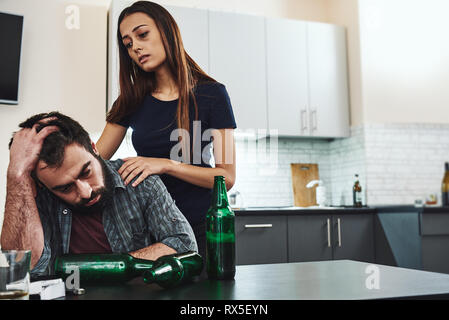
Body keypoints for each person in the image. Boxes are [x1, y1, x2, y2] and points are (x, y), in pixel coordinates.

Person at [96, 1, 237, 260]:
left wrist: (166, 164)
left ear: (166, 31)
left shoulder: (213, 94)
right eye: (128, 44)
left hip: (202, 230)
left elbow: (226, 178)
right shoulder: (130, 102)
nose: (136, 47)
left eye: (142, 34)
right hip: (152, 231)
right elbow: (93, 161)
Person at [1, 112, 198, 276]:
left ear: (93, 148)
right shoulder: (36, 198)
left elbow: (184, 245)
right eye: (65, 188)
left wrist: (108, 267)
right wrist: (16, 176)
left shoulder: (139, 179)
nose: (86, 192)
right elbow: (22, 271)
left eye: (86, 172)